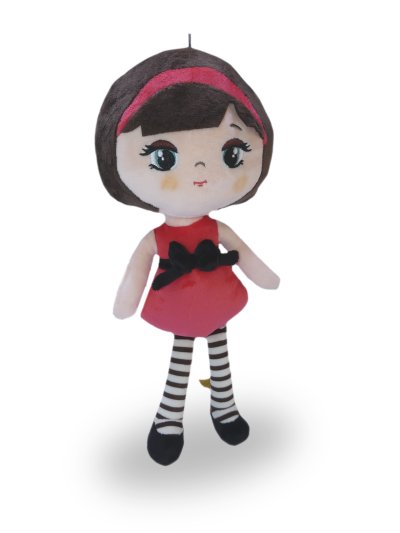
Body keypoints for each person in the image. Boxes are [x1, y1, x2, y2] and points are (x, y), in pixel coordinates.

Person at [95, 45, 280, 466]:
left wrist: (266, 276)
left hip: (217, 301)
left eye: (230, 153)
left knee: (220, 357)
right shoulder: (157, 238)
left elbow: (246, 256)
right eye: (164, 157)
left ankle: (223, 405)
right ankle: (169, 416)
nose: (200, 173)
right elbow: (136, 272)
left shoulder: (217, 229)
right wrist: (125, 302)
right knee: (181, 360)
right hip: (183, 303)